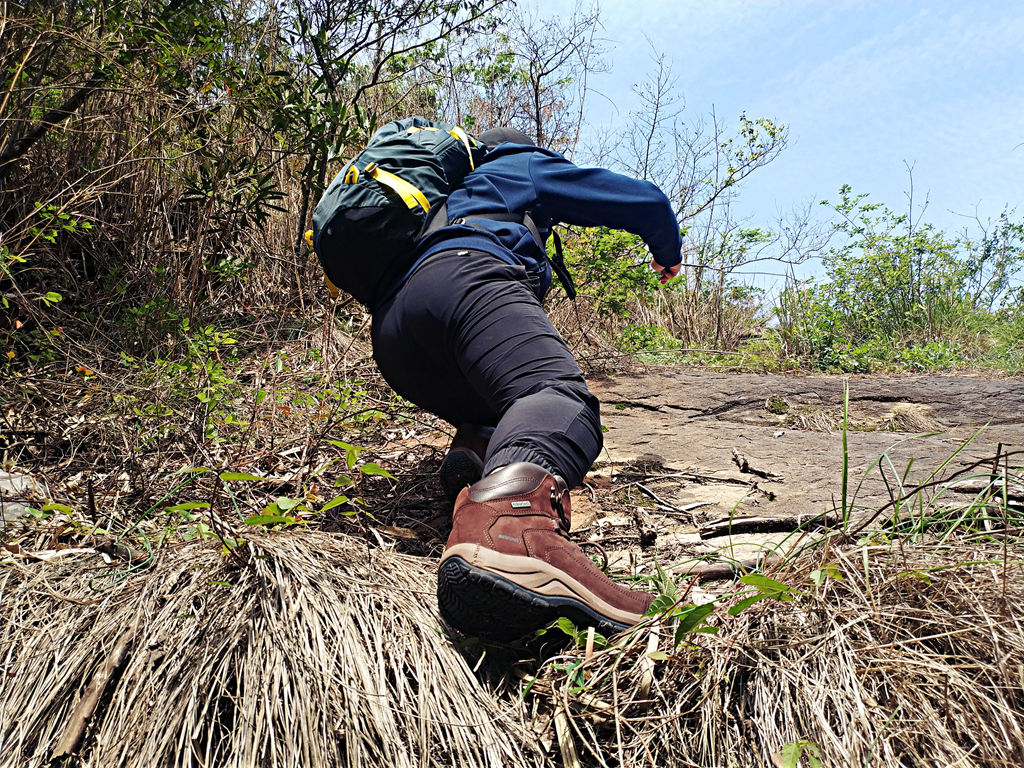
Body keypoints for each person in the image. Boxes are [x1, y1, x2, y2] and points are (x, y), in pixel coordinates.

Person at [370, 126, 682, 642]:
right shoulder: (519, 165)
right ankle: (510, 529)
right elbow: (645, 201)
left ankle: (479, 448)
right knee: (556, 398)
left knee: (505, 395)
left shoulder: (442, 195)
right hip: (467, 277)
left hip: (394, 333)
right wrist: (667, 253)